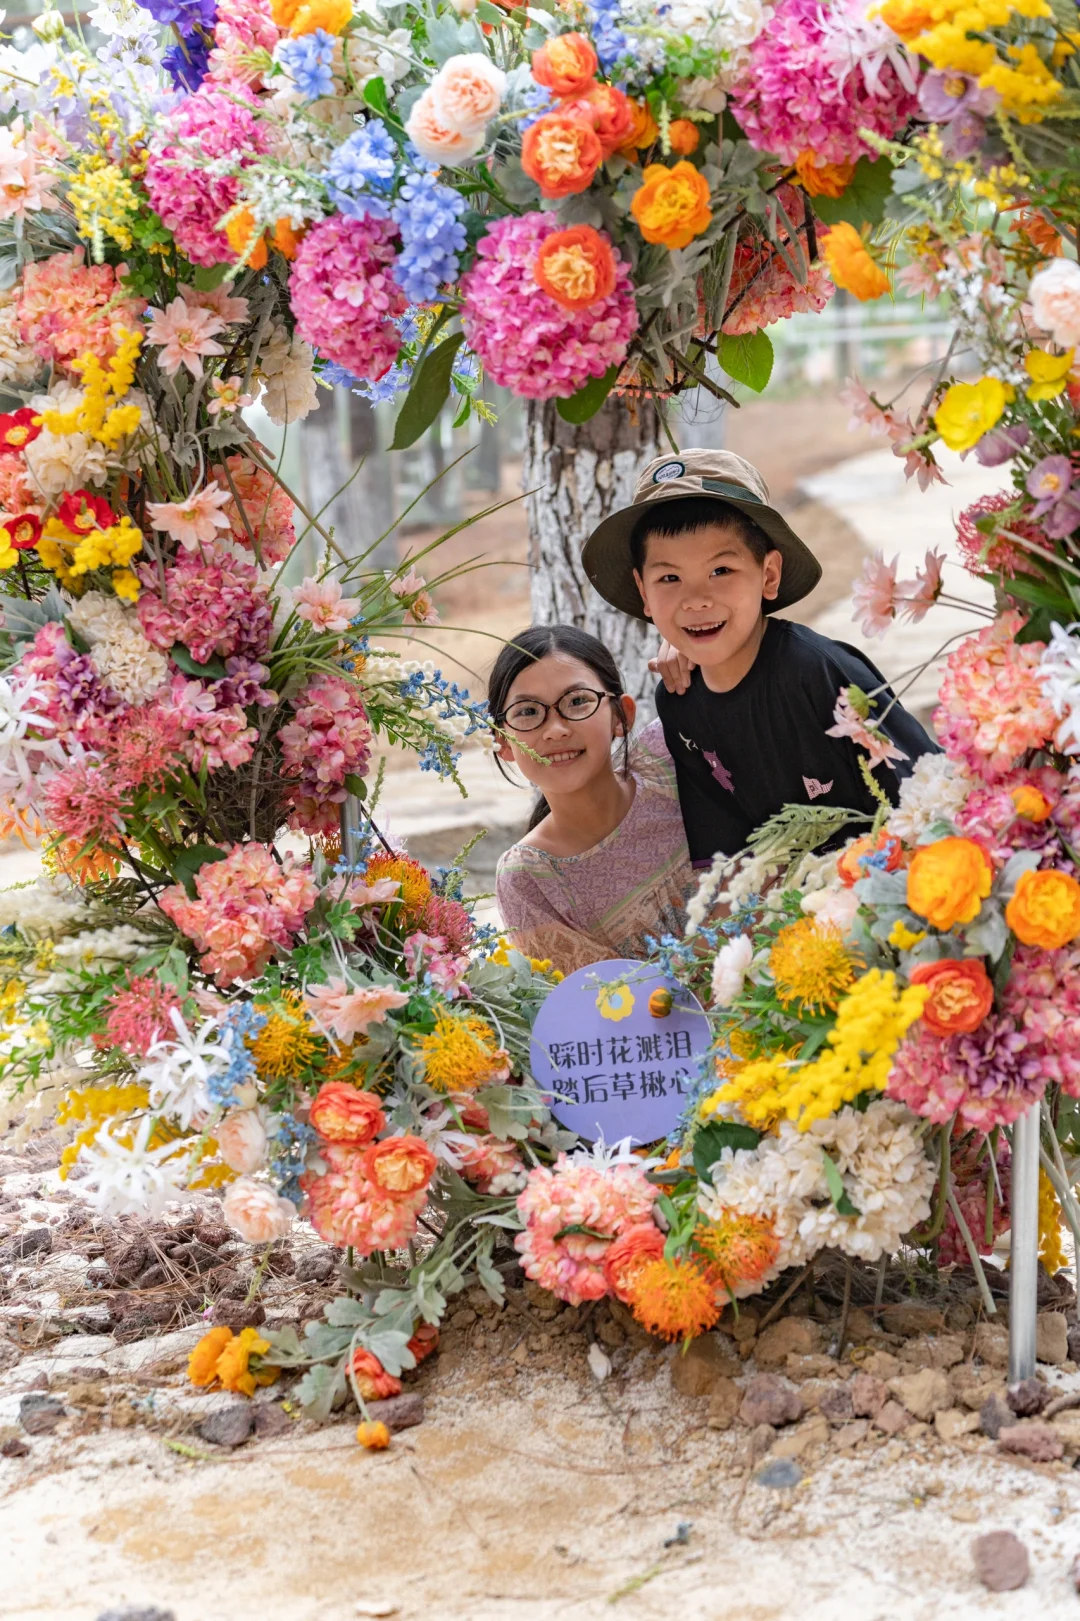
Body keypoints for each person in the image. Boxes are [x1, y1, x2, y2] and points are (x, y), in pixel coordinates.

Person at [581, 449, 938, 868]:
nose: (696, 600)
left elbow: (923, 804)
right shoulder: (680, 702)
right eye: (670, 578)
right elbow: (725, 858)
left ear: (768, 575)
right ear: (643, 591)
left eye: (721, 571)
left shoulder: (819, 673)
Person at [491, 624, 696, 973]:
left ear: (621, 715)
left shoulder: (670, 755)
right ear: (503, 742)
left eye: (577, 702)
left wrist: (702, 655)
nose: (555, 729)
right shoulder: (529, 880)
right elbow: (612, 1007)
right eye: (528, 712)